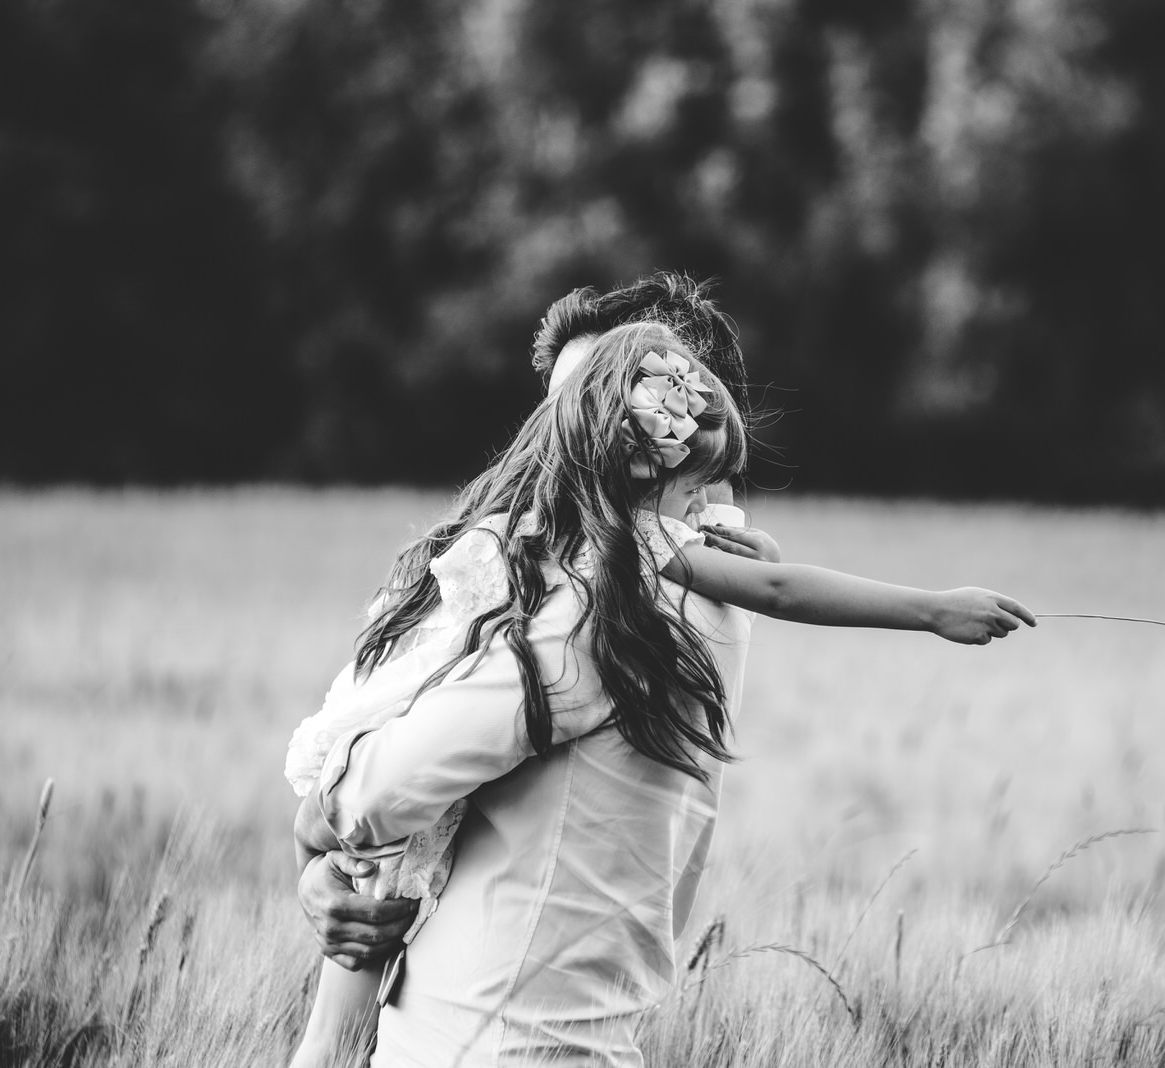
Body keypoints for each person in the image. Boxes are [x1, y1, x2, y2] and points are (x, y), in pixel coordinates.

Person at [289, 321, 1034, 1067]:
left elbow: (384, 789)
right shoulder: (643, 571)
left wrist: (319, 830)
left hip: (495, 1035)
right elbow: (775, 586)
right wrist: (932, 608)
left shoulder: (598, 585)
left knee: (361, 913)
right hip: (548, 1031)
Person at [294, 275, 761, 982]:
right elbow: (379, 748)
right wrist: (320, 875)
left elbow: (371, 793)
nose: (566, 445)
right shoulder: (510, 567)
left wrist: (319, 832)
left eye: (608, 405)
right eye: (559, 414)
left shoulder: (622, 609)